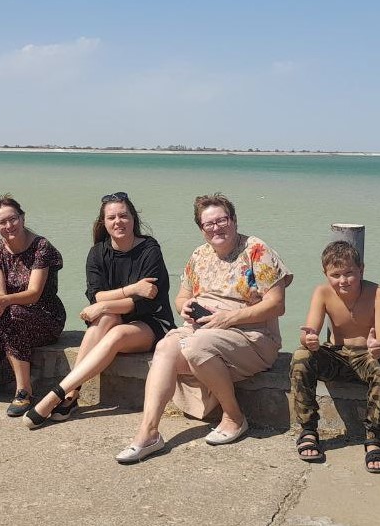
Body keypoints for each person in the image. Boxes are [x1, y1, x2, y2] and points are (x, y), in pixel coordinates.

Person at [116, 193, 292, 464]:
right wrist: (185, 307)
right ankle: (148, 433)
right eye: (209, 224)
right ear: (201, 229)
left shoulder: (257, 250)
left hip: (252, 335)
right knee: (165, 347)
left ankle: (234, 417)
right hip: (202, 329)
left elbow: (276, 305)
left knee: (195, 346)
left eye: (222, 220)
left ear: (234, 220)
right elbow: (181, 298)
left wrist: (228, 318)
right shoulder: (199, 255)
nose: (216, 228)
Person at [23, 191, 174, 428]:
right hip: (114, 316)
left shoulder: (149, 249)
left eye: (123, 216)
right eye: (111, 217)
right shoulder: (97, 253)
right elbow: (96, 295)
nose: (118, 222)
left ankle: (55, 394)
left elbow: (147, 301)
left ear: (133, 218)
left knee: (114, 329)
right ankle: (72, 394)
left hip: (152, 321)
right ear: (103, 222)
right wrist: (131, 290)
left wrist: (104, 304)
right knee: (103, 321)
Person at [290, 241, 380, 472]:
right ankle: (308, 430)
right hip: (337, 355)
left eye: (349, 273)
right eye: (335, 275)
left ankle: (375, 438)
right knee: (301, 356)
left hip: (368, 356)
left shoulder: (378, 293)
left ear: (361, 269)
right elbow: (309, 331)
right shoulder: (322, 293)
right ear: (325, 274)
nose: (343, 280)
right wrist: (309, 339)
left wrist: (378, 346)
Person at [0, 195, 65, 417]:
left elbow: (34, 294)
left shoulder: (41, 247)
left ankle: (24, 390)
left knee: (11, 314)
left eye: (13, 219)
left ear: (22, 218)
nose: (9, 226)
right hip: (11, 308)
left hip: (45, 314)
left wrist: (4, 301)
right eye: (2, 222)